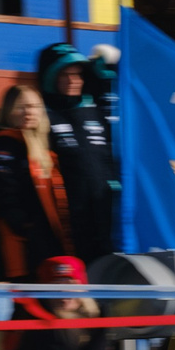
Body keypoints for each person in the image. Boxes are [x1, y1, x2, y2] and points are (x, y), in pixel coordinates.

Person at [35, 42, 119, 264]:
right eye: (65, 75)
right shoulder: (43, 116)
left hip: (107, 212)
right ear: (51, 78)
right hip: (69, 220)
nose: (73, 81)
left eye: (78, 75)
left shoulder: (95, 111)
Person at [0, 85, 67, 283]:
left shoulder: (42, 145)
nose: (28, 112)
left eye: (34, 106)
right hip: (21, 246)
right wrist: (28, 228)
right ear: (8, 110)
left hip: (44, 241)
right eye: (21, 107)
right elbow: (4, 196)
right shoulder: (4, 144)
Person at [0, 256, 110, 350]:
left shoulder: (99, 318)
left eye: (70, 285)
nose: (64, 293)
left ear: (83, 288)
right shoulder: (39, 324)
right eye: (56, 287)